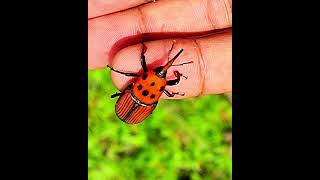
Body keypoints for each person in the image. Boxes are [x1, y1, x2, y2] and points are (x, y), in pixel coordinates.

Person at [88, 0, 232, 99]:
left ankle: (120, 80)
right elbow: (173, 83)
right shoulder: (149, 82)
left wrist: (143, 48)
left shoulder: (150, 79)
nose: (162, 69)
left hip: (144, 97)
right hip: (142, 98)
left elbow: (143, 61)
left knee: (130, 72)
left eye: (160, 70)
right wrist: (178, 76)